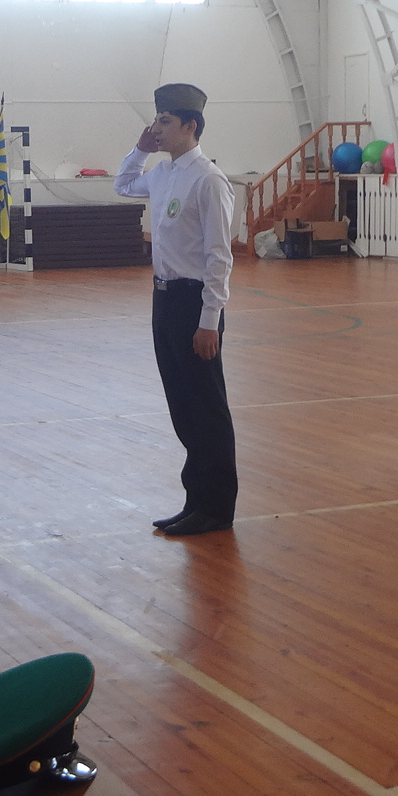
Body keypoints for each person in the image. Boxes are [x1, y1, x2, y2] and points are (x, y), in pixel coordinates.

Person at [117, 84, 239, 537]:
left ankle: (217, 508)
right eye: (156, 120)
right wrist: (139, 149)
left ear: (191, 125)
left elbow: (219, 257)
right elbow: (123, 184)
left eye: (165, 121)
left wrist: (210, 321)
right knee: (183, 407)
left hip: (194, 302)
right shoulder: (163, 173)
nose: (157, 128)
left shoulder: (209, 180)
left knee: (206, 407)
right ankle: (196, 501)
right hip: (164, 298)